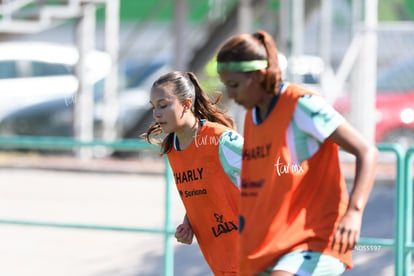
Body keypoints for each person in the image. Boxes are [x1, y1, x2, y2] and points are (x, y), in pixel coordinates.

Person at [216, 30, 378, 276]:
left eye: (235, 85)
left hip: (317, 238)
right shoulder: (252, 116)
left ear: (259, 76)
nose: (230, 95)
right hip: (273, 242)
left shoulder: (300, 104)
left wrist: (354, 212)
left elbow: (366, 151)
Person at [144, 71, 243, 275]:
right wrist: (189, 222)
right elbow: (203, 190)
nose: (156, 114)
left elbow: (270, 179)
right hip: (221, 264)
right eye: (154, 107)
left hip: (254, 258)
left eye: (163, 105)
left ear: (187, 104)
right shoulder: (172, 148)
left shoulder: (222, 140)